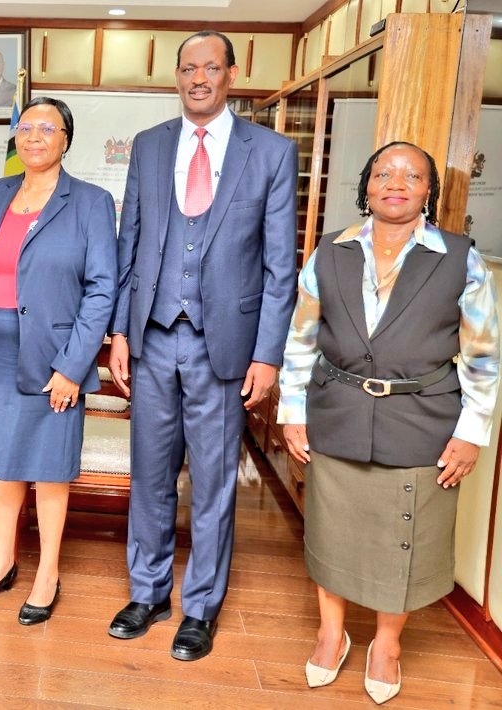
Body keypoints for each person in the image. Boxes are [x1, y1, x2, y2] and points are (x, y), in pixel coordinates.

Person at [279, 141, 499, 705]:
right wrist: (293, 412)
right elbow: (301, 339)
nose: (395, 183)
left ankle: (387, 644)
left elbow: (482, 356)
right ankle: (332, 634)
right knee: (331, 530)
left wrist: (471, 432)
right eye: (383, 173)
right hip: (336, 413)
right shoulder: (330, 251)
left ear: (429, 191)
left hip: (422, 420)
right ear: (366, 185)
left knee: (404, 538)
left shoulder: (459, 257)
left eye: (411, 175)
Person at [107, 30, 298, 660]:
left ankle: (201, 607)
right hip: (152, 338)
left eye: (210, 68)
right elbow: (129, 244)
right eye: (188, 68)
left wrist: (267, 354)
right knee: (149, 476)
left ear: (230, 75)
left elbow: (280, 266)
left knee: (214, 482)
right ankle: (148, 592)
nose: (198, 78)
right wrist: (119, 332)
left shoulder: (271, 152)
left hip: (226, 345)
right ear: (177, 76)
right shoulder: (149, 144)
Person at [0, 97, 117, 625]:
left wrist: (73, 367)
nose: (34, 137)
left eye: (47, 128)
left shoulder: (90, 202)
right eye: (25, 127)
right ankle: (2, 562)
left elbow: (102, 290)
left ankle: (47, 572)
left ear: (66, 139)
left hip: (54, 358)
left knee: (49, 468)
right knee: (3, 464)